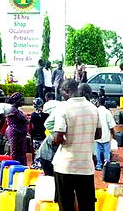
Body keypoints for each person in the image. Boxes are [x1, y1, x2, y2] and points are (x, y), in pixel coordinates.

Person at [52, 79, 101, 211]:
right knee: (87, 205)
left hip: (66, 166)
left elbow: (58, 137)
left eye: (61, 91)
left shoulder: (63, 108)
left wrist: (55, 140)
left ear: (66, 91)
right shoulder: (93, 108)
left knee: (66, 205)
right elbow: (98, 135)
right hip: (86, 166)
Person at [92, 97, 116, 171]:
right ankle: (106, 166)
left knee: (98, 151)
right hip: (106, 135)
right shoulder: (107, 112)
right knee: (106, 151)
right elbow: (111, 125)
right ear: (105, 103)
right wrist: (113, 135)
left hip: (97, 135)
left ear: (98, 103)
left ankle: (99, 165)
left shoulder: (95, 111)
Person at [6, 92, 28, 165]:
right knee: (15, 152)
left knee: (21, 151)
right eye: (21, 100)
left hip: (20, 134)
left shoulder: (17, 111)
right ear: (16, 100)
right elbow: (25, 120)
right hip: (15, 133)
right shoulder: (13, 111)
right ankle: (15, 166)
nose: (22, 102)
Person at [29, 98, 49, 167]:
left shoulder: (33, 115)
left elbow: (31, 128)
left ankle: (37, 166)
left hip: (36, 137)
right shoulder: (46, 115)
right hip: (44, 137)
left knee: (36, 153)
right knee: (44, 153)